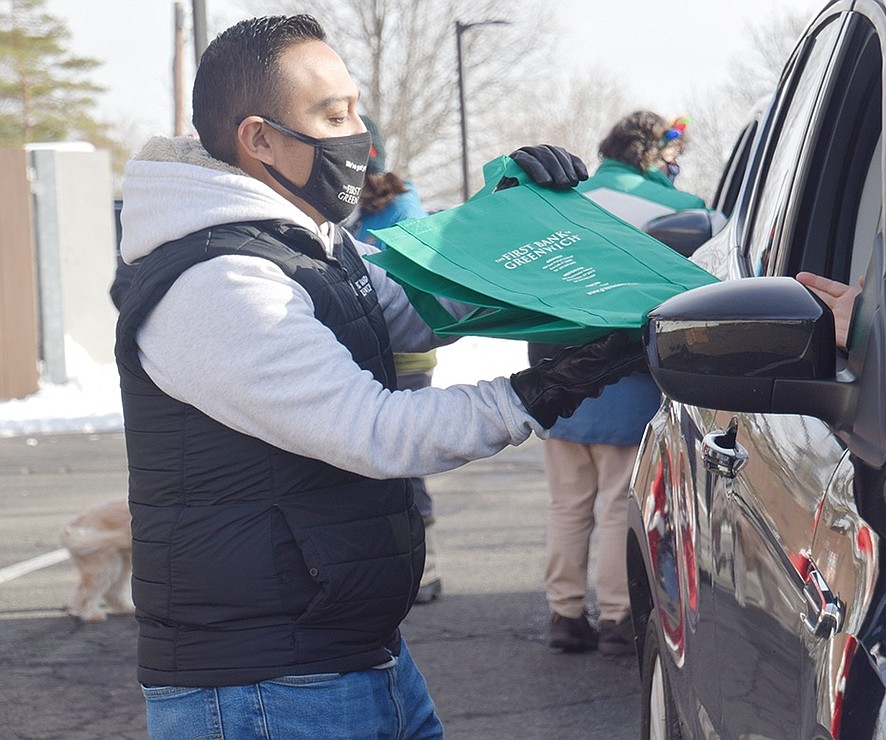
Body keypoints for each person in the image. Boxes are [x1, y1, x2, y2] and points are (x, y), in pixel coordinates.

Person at [114, 15, 645, 739]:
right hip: (261, 688)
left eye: (356, 109)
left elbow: (426, 309)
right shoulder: (220, 282)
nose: (358, 135)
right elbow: (375, 432)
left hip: (350, 655)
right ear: (258, 138)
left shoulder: (312, 247)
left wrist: (518, 217)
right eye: (332, 116)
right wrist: (538, 393)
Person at [530, 112, 714, 656]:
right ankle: (616, 615)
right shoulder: (680, 211)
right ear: (659, 156)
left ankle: (564, 613)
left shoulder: (562, 200)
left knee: (566, 504)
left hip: (550, 378)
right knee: (616, 502)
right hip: (627, 382)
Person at [344, 115, 443, 604]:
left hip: (403, 349)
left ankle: (418, 570)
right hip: (360, 348)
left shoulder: (401, 205)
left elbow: (419, 271)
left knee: (402, 453)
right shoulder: (346, 210)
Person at [576, 110, 714, 230]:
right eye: (673, 157)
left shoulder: (570, 196)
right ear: (654, 154)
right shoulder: (688, 209)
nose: (674, 166)